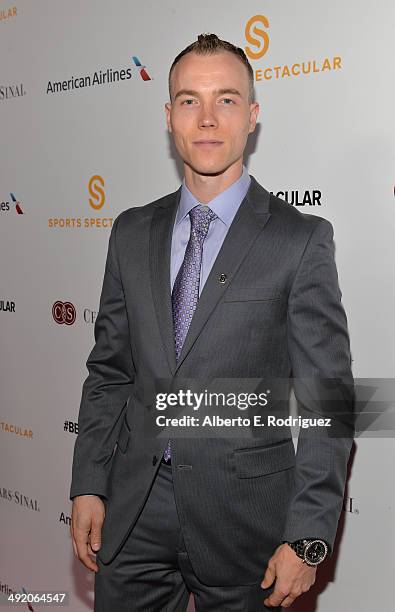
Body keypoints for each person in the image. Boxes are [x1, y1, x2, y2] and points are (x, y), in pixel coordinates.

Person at [70, 33, 354, 611]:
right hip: (135, 510)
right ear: (168, 116)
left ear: (251, 117)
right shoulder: (130, 232)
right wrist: (90, 481)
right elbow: (110, 373)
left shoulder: (300, 241)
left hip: (246, 519)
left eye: (225, 100)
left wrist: (309, 534)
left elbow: (331, 397)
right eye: (188, 100)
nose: (206, 119)